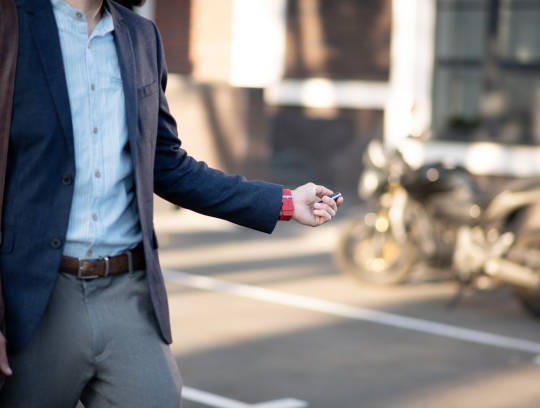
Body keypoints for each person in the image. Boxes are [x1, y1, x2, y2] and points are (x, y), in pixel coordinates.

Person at [0, 0, 343, 406]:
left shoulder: (142, 37)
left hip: (127, 290)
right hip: (35, 296)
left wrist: (286, 202)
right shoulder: (11, 24)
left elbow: (168, 166)